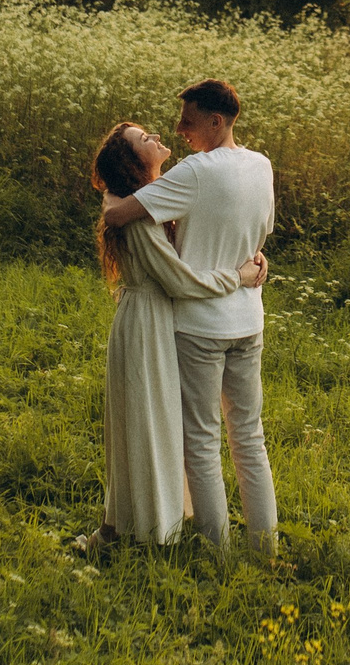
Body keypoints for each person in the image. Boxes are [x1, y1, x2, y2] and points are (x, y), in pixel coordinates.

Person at [99, 78, 277, 549]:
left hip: (201, 325)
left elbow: (118, 216)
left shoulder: (195, 171)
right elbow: (260, 233)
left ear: (215, 122)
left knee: (200, 442)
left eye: (188, 121)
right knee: (250, 440)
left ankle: (216, 553)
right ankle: (266, 549)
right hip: (249, 322)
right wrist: (253, 260)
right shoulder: (262, 166)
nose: (178, 130)